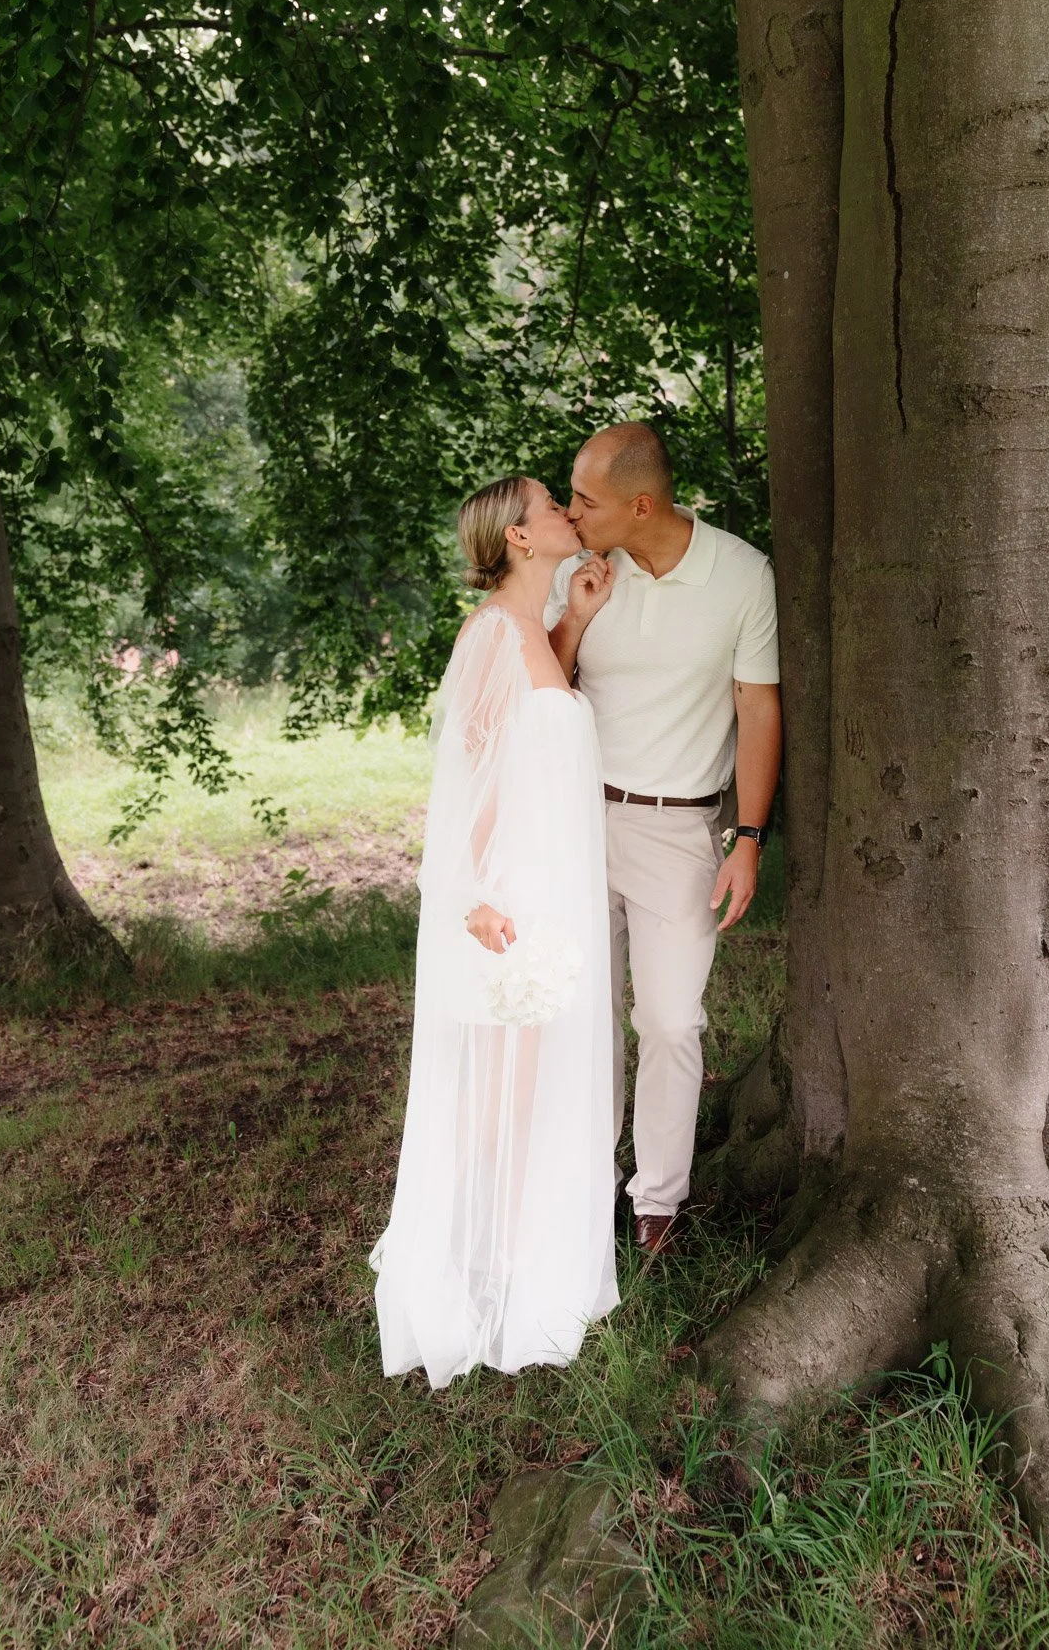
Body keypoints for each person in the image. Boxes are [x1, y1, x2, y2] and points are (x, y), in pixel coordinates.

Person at [372, 476, 619, 1387]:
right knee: (496, 1099)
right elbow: (469, 773)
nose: (568, 514)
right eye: (554, 506)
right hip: (507, 902)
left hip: (549, 889)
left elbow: (532, 722)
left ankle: (507, 1265)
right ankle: (452, 1272)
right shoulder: (487, 635)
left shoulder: (528, 634)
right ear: (519, 538)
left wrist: (578, 622)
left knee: (530, 1091)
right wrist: (475, 893)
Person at [548, 423, 782, 1254]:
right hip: (574, 821)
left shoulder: (742, 575)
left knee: (673, 1021)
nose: (570, 512)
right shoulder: (575, 571)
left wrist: (748, 835)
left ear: (640, 504)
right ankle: (580, 1181)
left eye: (585, 500)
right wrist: (576, 618)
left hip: (681, 826)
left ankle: (657, 1205)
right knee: (583, 1014)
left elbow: (758, 708)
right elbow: (543, 680)